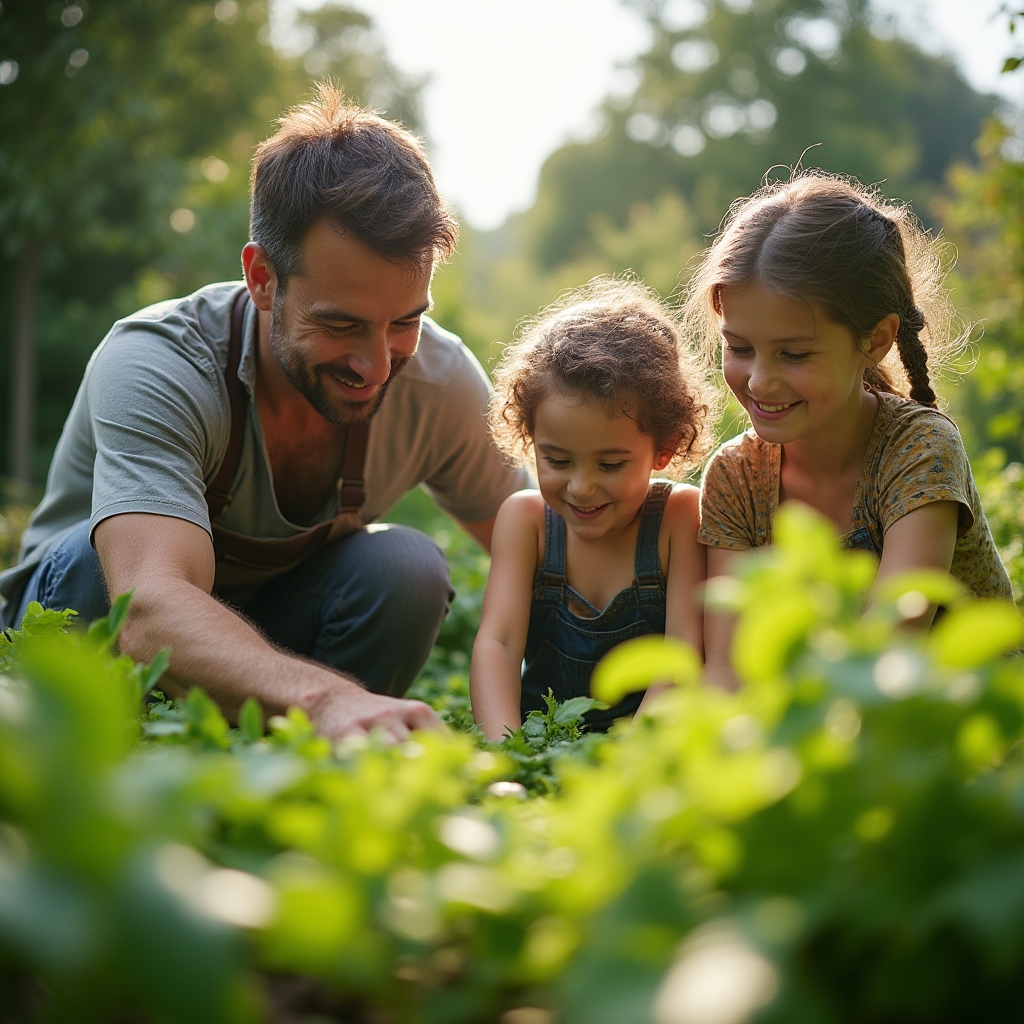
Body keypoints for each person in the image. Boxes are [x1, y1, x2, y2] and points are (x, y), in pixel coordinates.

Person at [0, 84, 529, 740]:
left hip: (267, 649)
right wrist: (327, 698)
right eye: (342, 324)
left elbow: (549, 551)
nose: (377, 363)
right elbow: (147, 610)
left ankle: (301, 763)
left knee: (406, 570)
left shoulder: (438, 380)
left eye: (404, 321)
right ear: (261, 279)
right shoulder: (158, 362)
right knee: (96, 564)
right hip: (86, 625)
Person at [686, 172, 1014, 682]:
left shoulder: (919, 449)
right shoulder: (735, 476)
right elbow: (729, 665)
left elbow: (887, 648)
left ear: (877, 340)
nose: (760, 381)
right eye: (739, 347)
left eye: (794, 354)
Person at [469, 278, 713, 740]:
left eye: (611, 463)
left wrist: (631, 762)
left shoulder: (678, 519)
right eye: (557, 460)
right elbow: (497, 644)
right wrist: (507, 752)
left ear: (664, 448)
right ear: (530, 439)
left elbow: (685, 652)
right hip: (543, 739)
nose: (581, 487)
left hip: (647, 746)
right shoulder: (526, 523)